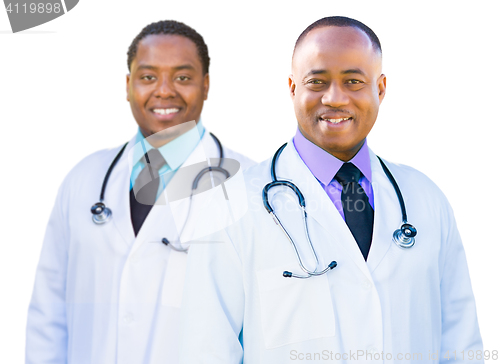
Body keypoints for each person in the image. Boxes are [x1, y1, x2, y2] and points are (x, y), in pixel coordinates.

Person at [179, 16, 483, 363]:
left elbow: (461, 345)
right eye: (317, 81)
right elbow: (205, 351)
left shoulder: (426, 201)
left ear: (380, 88)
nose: (335, 98)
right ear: (293, 88)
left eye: (353, 81)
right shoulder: (230, 207)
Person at [25, 20, 254, 364]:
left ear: (206, 85)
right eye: (148, 77)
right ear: (128, 85)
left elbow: (267, 325)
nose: (164, 91)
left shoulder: (250, 185)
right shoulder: (84, 179)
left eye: (183, 77)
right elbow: (48, 312)